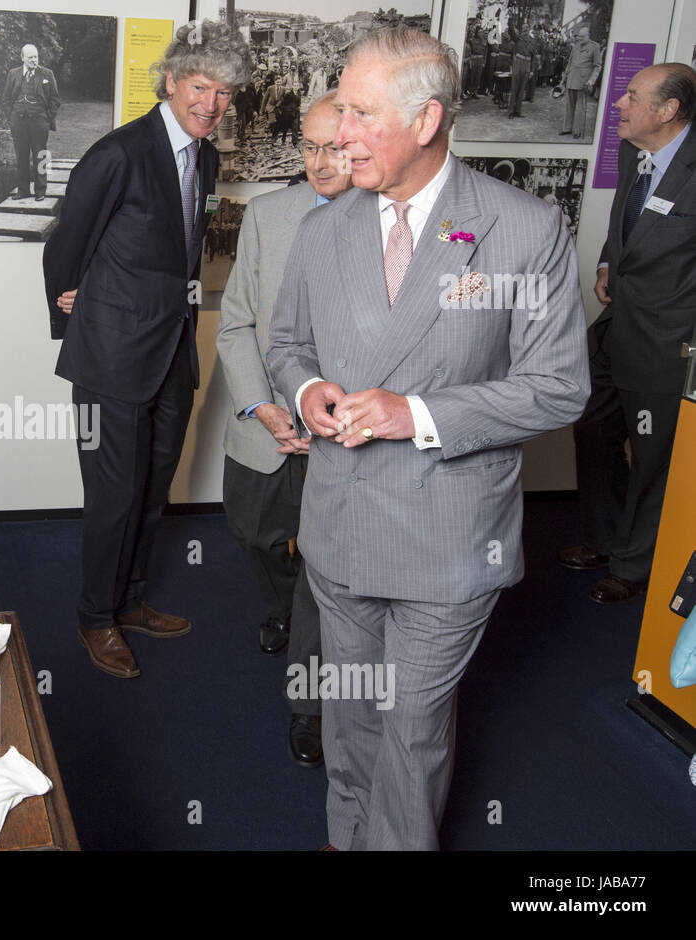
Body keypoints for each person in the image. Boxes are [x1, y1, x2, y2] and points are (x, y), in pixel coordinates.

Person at [265, 27, 589, 850]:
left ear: (426, 120)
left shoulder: (523, 229)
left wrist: (420, 415)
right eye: (340, 111)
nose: (337, 134)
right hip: (339, 529)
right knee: (350, 716)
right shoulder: (324, 228)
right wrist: (308, 391)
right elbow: (287, 345)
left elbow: (561, 386)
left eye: (359, 114)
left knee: (410, 730)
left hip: (449, 541)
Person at [43, 21, 250, 679]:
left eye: (223, 93)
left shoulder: (208, 156)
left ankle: (129, 601)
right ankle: (94, 618)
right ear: (170, 80)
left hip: (172, 355)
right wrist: (70, 302)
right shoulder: (118, 154)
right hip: (111, 355)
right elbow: (64, 241)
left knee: (154, 485)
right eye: (200, 86)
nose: (211, 103)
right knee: (112, 495)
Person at [217, 92, 352, 769]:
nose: (320, 162)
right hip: (267, 426)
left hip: (348, 442)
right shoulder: (270, 216)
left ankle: (313, 704)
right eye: (309, 147)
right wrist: (260, 406)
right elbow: (236, 321)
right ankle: (279, 607)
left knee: (325, 581)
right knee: (257, 535)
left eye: (336, 147)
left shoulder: (393, 224)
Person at [559, 64, 696, 604]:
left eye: (632, 97)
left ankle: (635, 564)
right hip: (618, 326)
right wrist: (606, 261)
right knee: (590, 425)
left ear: (667, 111)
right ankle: (608, 537)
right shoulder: (629, 151)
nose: (618, 103)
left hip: (669, 340)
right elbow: (627, 218)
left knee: (653, 455)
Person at [0, 44, 60, 201]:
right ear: (22, 58)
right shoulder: (14, 74)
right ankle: (23, 190)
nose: (34, 60)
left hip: (39, 122)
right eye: (31, 57)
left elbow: (55, 99)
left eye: (36, 57)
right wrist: (11, 116)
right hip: (18, 122)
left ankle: (41, 191)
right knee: (21, 156)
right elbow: (6, 98)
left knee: (41, 155)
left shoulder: (47, 74)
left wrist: (47, 118)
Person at [560, 26, 602, 139]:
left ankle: (577, 131)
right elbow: (570, 63)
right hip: (572, 79)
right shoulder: (576, 46)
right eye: (579, 36)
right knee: (569, 105)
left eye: (582, 37)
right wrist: (563, 79)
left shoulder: (595, 47)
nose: (579, 38)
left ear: (588, 36)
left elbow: (597, 66)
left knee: (580, 107)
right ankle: (567, 128)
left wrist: (591, 81)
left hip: (583, 81)